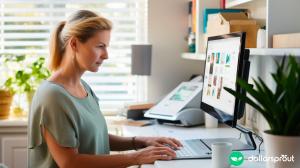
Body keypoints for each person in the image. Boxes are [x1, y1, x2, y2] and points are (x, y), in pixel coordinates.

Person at [28, 10, 182, 168]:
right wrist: (136, 158)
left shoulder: (83, 87)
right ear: (74, 44)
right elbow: (70, 163)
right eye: (100, 46)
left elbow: (96, 137)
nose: (106, 55)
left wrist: (140, 141)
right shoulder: (53, 96)